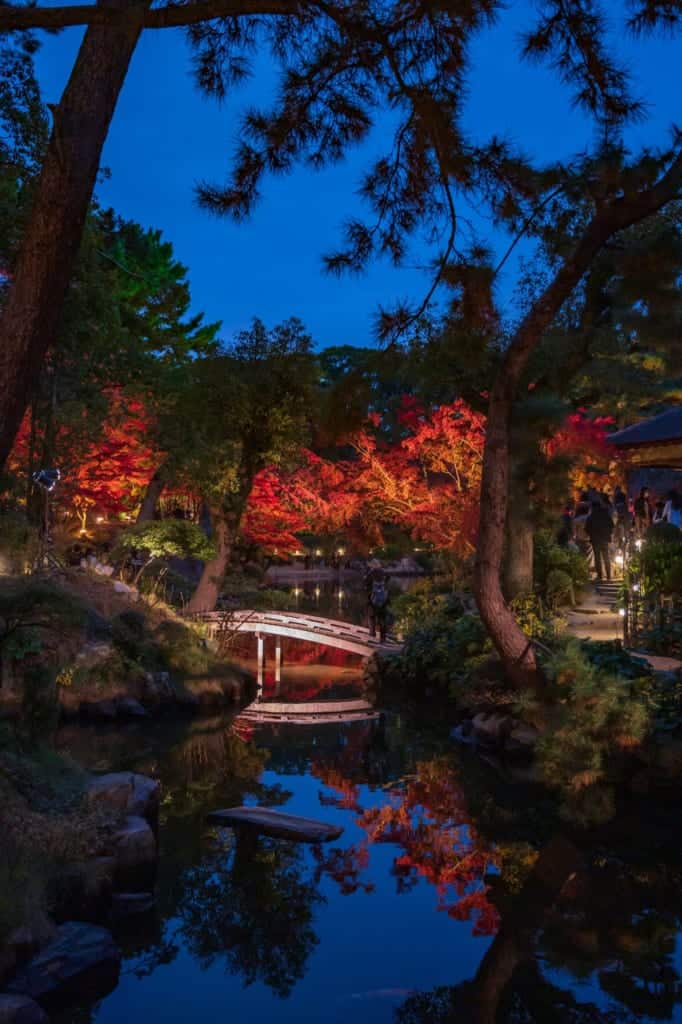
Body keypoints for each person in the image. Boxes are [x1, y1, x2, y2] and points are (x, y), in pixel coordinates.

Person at [585, 499, 614, 581]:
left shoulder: (591, 516)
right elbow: (612, 525)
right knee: (606, 556)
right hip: (605, 539)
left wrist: (591, 534)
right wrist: (608, 533)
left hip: (595, 539)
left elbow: (587, 528)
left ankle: (600, 576)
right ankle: (608, 576)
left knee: (597, 558)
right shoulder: (606, 514)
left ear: (593, 507)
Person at [364, 560, 390, 642]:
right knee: (382, 618)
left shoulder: (370, 573)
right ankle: (383, 637)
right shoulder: (384, 573)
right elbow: (387, 582)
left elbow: (366, 584)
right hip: (383, 600)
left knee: (371, 616)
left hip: (373, 600)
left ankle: (372, 634)